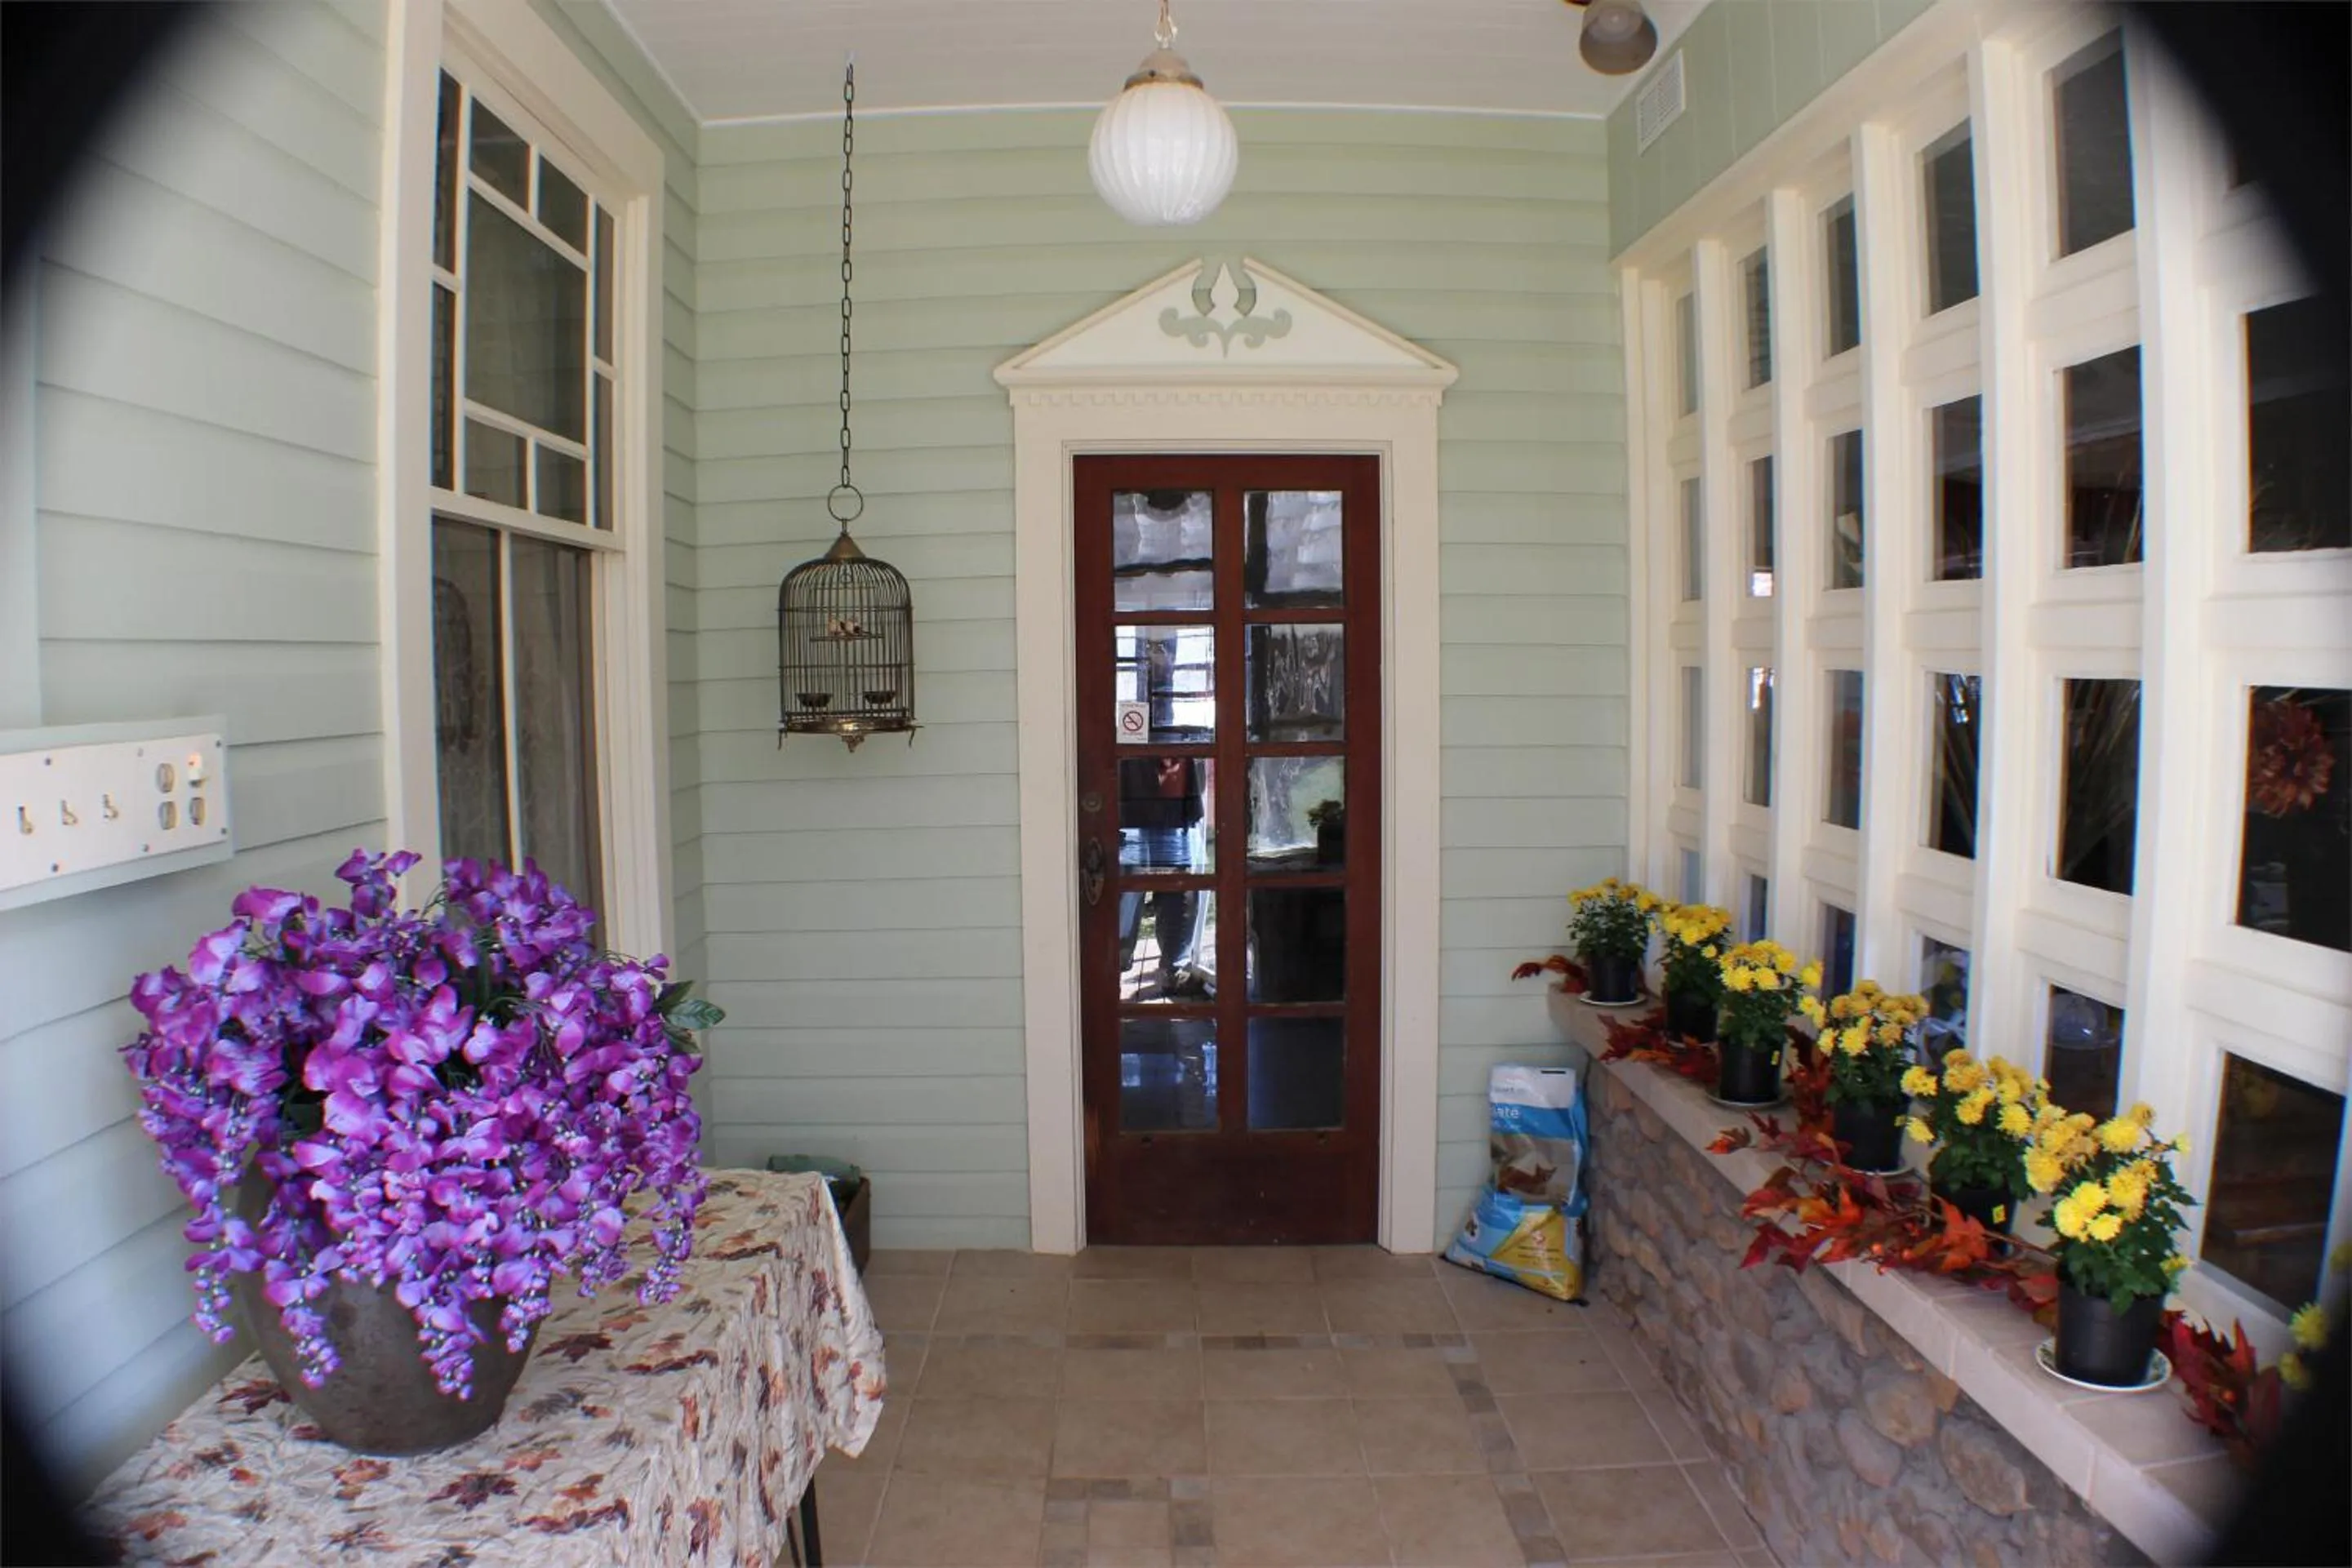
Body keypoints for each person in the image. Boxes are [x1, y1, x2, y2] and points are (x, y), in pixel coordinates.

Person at [1118, 756, 1209, 997]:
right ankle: (1112, 967)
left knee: (1178, 889)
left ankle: (1173, 970)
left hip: (1176, 801)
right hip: (1129, 800)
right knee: (1124, 893)